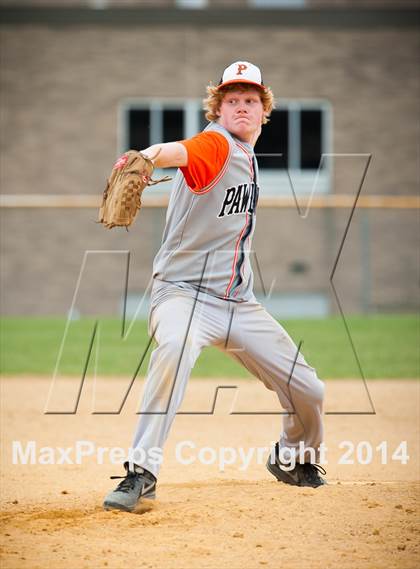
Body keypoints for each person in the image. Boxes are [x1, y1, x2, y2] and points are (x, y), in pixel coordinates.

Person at [103, 61, 326, 512]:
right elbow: (180, 151)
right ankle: (141, 473)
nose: (240, 107)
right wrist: (147, 156)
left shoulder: (247, 156)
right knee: (174, 347)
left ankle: (292, 457)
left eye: (249, 100)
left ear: (263, 111)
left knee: (309, 388)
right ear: (218, 109)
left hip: (238, 304)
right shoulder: (216, 145)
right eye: (231, 100)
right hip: (183, 294)